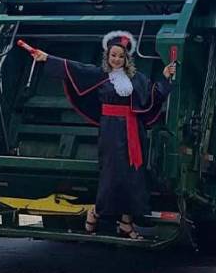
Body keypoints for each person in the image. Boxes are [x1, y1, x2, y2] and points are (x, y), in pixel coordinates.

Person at [30, 31, 176, 239]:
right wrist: (47, 58)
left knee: (133, 176)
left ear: (127, 59)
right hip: (111, 131)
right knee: (113, 175)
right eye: (113, 55)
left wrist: (165, 75)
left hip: (134, 132)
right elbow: (74, 68)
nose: (116, 59)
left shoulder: (137, 79)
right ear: (107, 56)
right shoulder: (99, 75)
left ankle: (126, 223)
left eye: (120, 56)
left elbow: (155, 94)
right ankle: (95, 212)